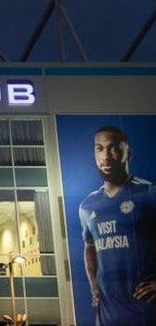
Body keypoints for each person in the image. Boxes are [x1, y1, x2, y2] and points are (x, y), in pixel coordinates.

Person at [79, 125, 156, 325]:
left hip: (147, 311)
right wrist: (94, 287)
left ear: (127, 153)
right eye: (99, 148)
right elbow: (89, 249)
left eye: (113, 148)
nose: (106, 156)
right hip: (108, 314)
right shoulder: (88, 205)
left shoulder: (149, 193)